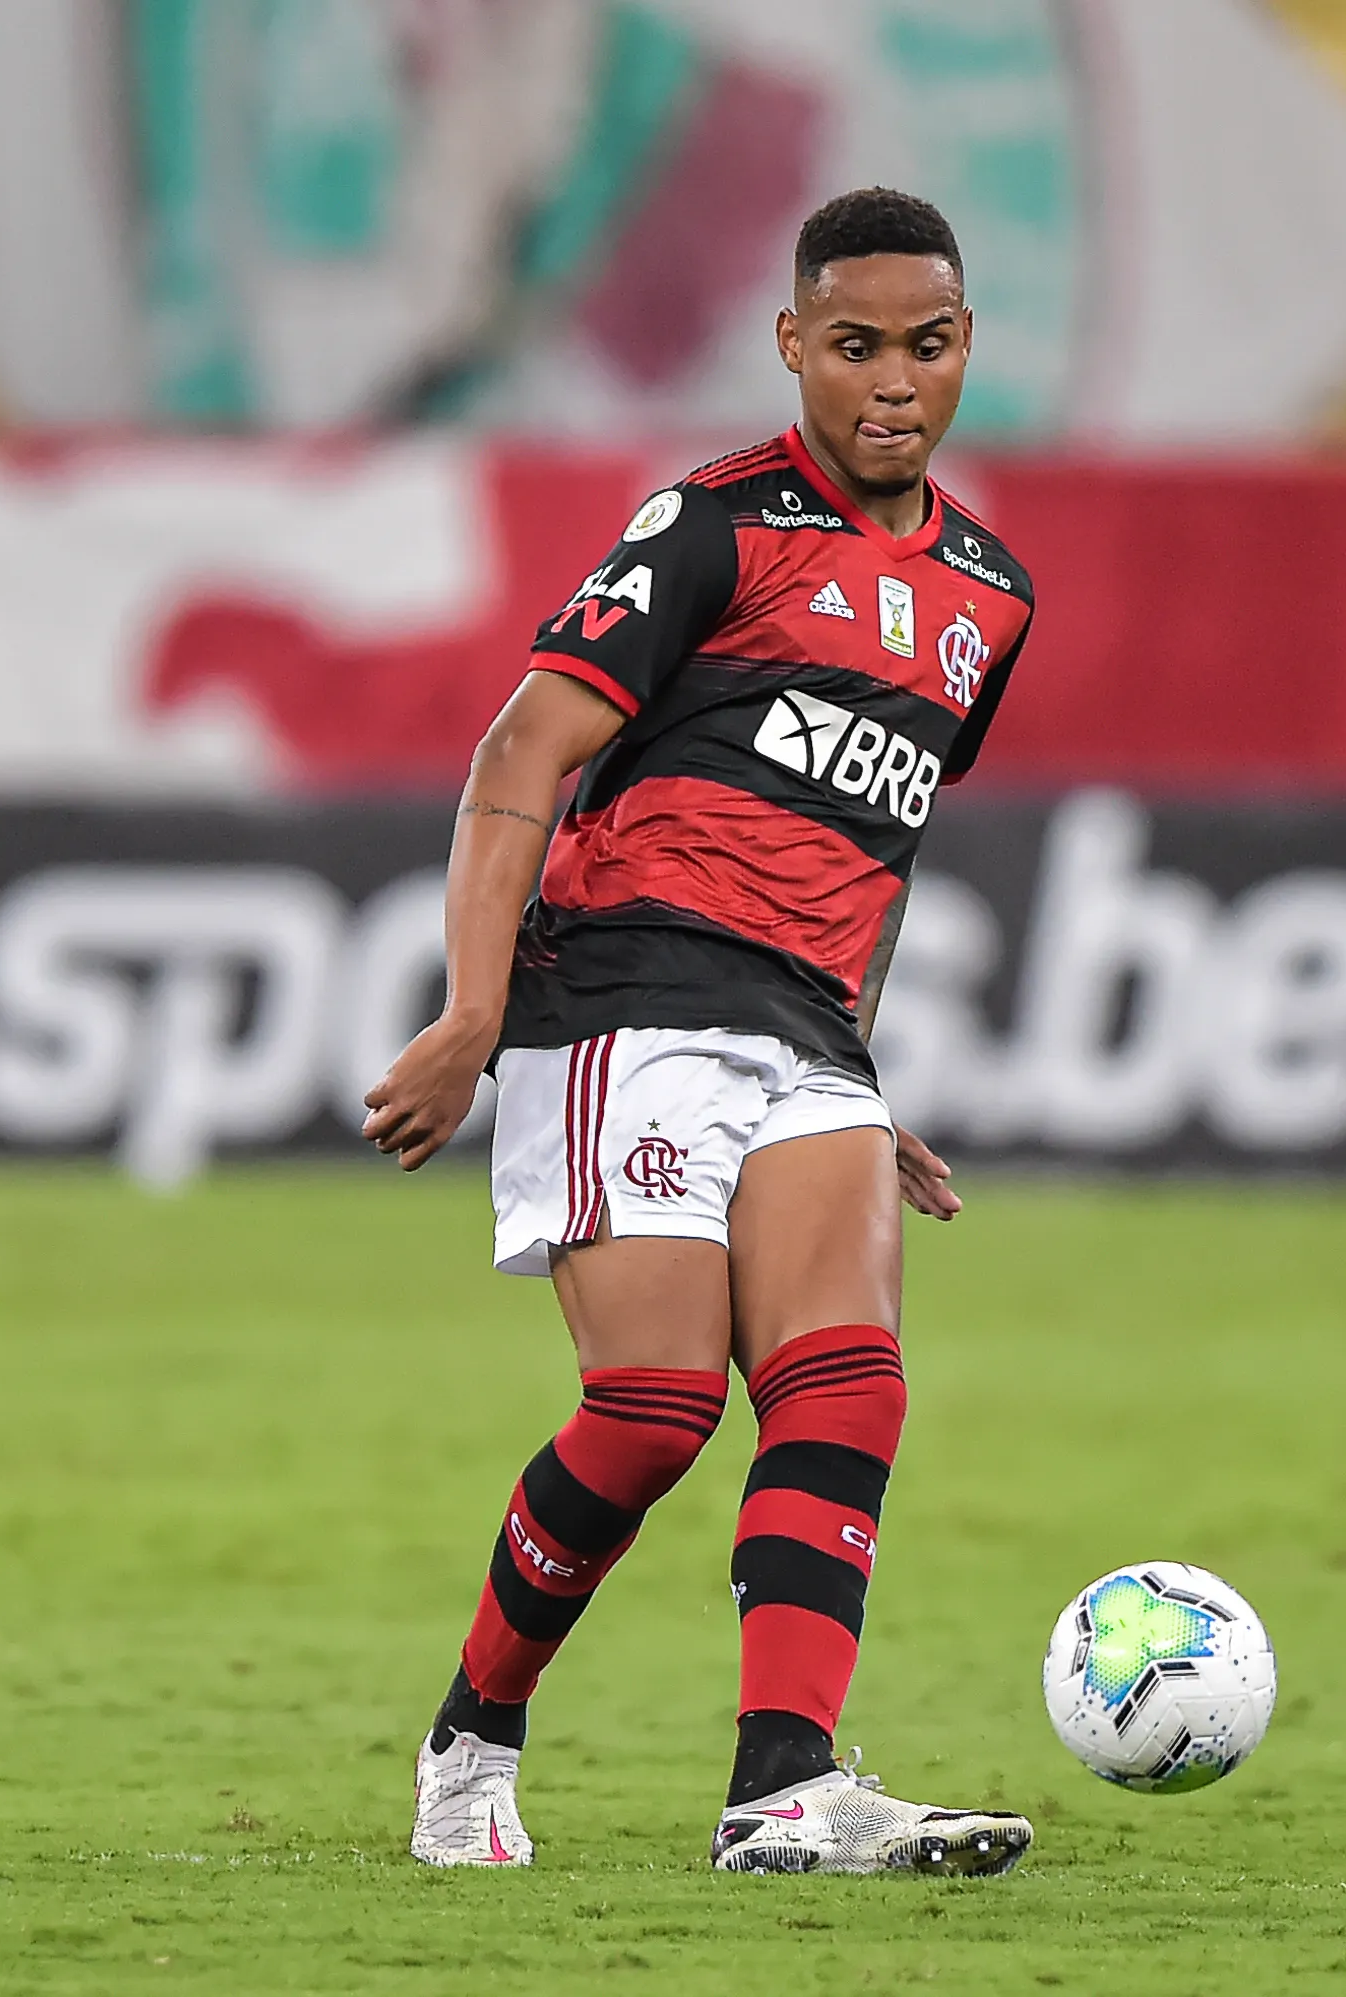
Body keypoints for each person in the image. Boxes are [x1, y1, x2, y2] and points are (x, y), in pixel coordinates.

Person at [360, 188, 1036, 1877]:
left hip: (808, 1028)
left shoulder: (988, 597)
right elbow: (525, 752)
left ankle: (785, 1785)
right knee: (655, 1408)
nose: (896, 380)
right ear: (796, 344)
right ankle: (473, 1733)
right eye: (860, 344)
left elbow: (881, 845)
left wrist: (868, 1070)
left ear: (968, 351)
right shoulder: (713, 526)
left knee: (847, 1384)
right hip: (631, 995)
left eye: (930, 344)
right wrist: (472, 1012)